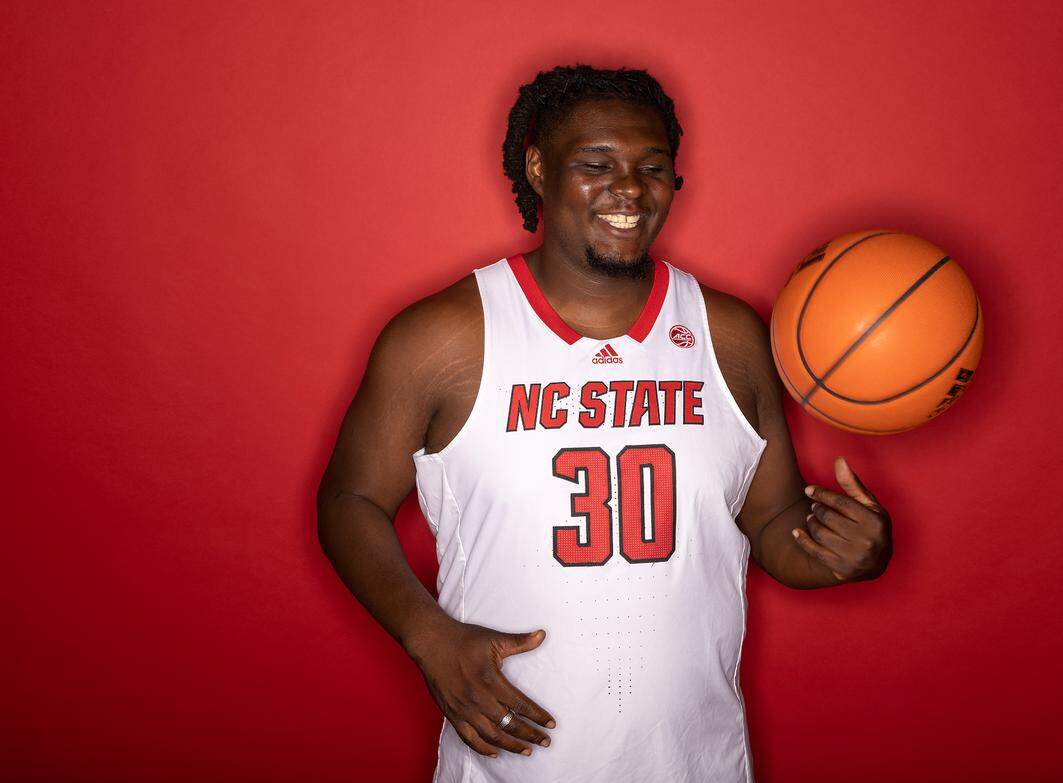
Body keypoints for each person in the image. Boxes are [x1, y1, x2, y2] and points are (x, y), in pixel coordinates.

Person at [317, 64, 893, 783]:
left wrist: (844, 550)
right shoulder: (443, 337)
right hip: (510, 764)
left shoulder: (729, 335)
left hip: (696, 760)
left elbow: (773, 522)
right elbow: (349, 499)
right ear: (538, 168)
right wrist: (427, 633)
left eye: (652, 168)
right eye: (597, 165)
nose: (630, 189)